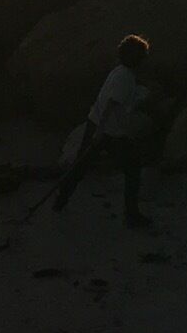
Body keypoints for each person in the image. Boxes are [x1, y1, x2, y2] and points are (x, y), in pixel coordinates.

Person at [52, 33, 155, 227]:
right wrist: (102, 132)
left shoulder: (120, 72)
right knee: (132, 167)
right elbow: (112, 105)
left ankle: (61, 199)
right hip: (106, 130)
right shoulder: (125, 77)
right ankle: (131, 215)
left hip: (98, 125)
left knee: (80, 165)